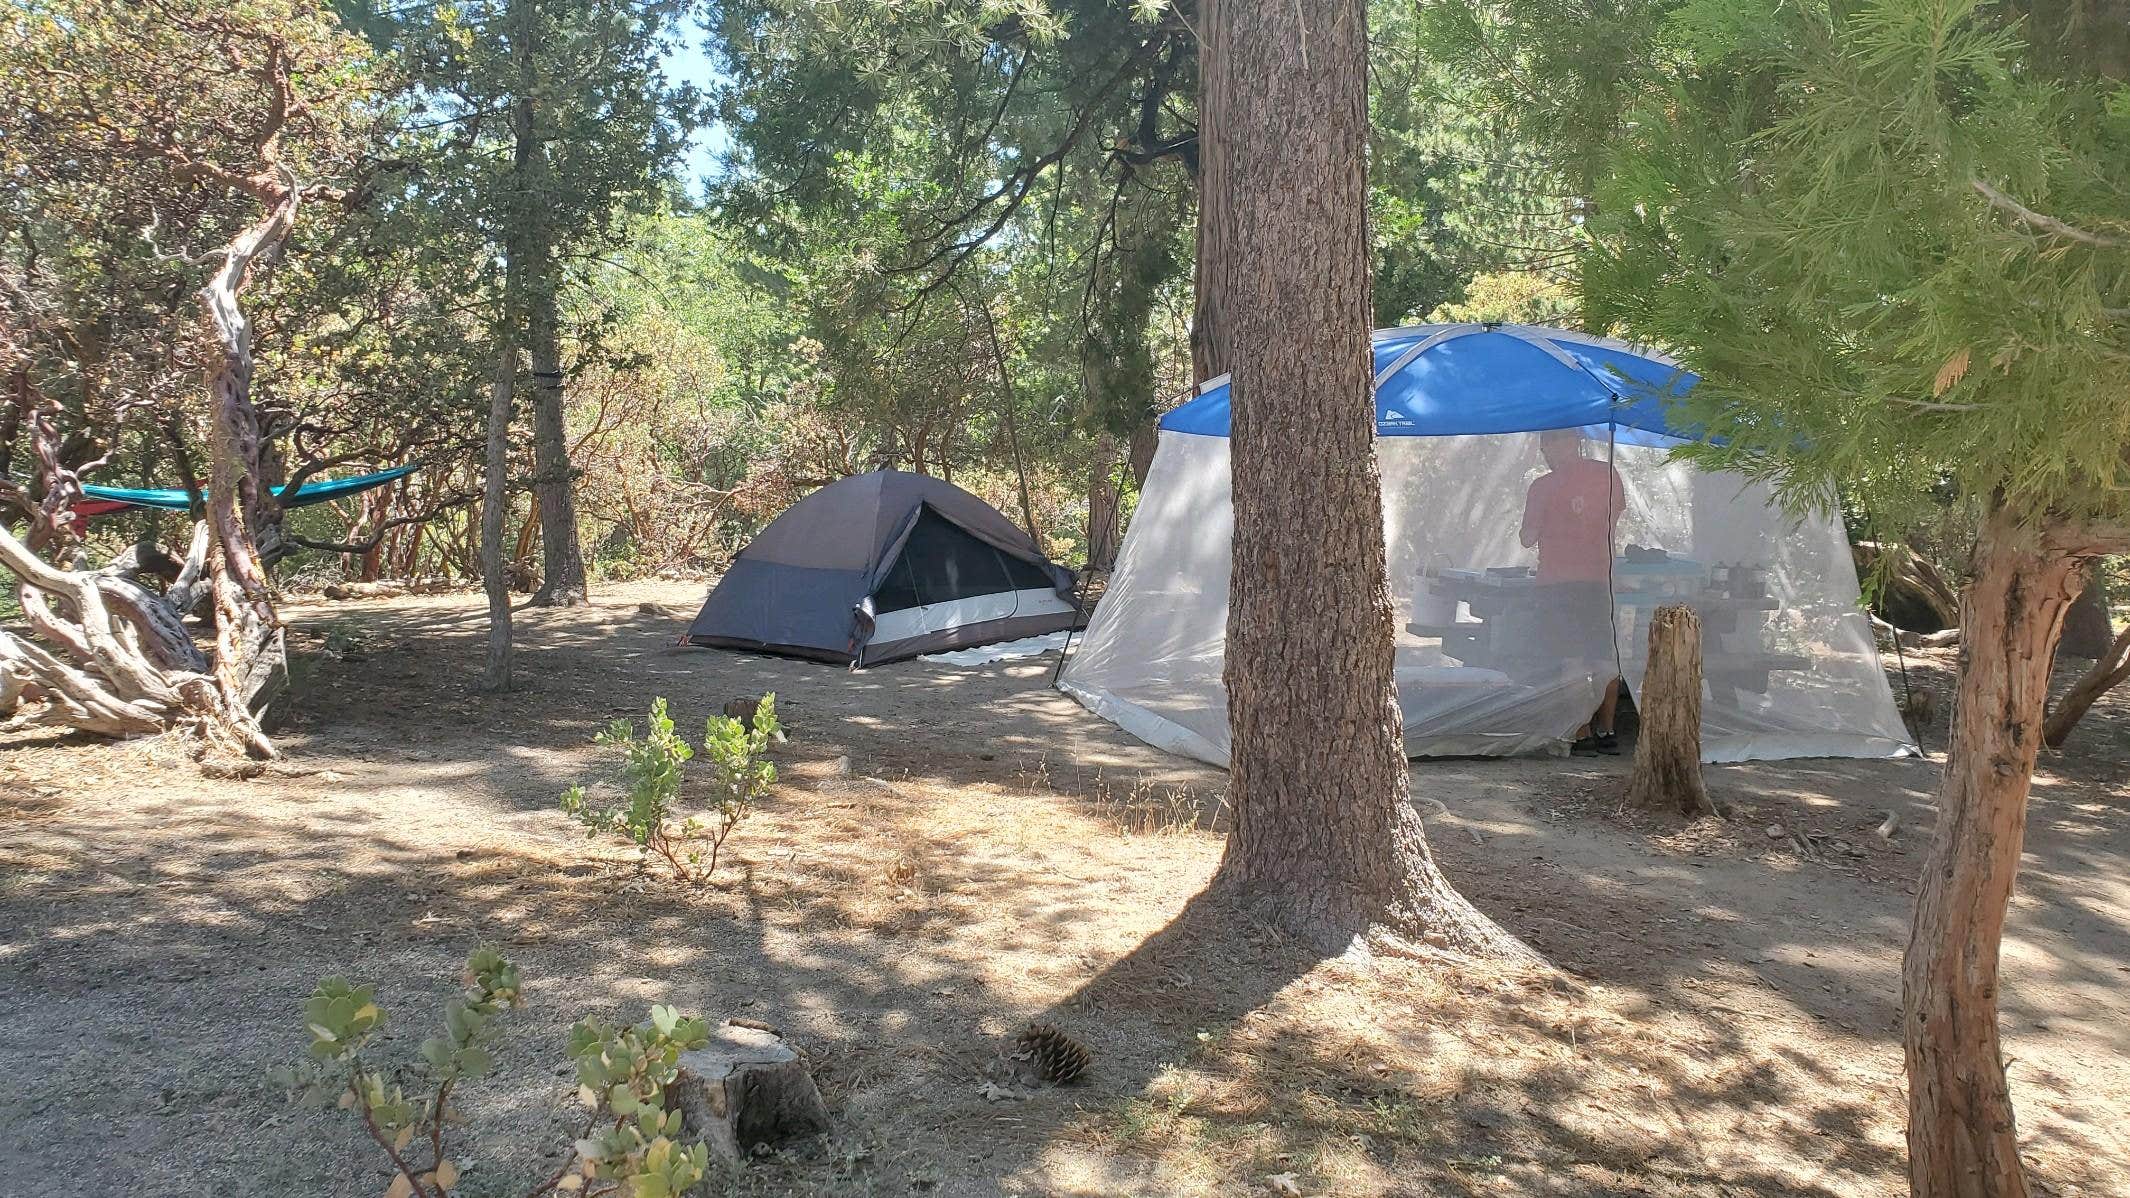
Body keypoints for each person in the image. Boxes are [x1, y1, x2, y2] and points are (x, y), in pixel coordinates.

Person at [1518, 427, 1626, 754]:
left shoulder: (1543, 486)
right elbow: (1614, 519)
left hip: (1557, 584)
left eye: (1545, 448)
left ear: (1562, 444)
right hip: (1599, 579)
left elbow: (1527, 538)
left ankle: (1581, 731)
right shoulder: (1607, 474)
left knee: (1572, 661)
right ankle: (1607, 731)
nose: (1545, 455)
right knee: (1604, 658)